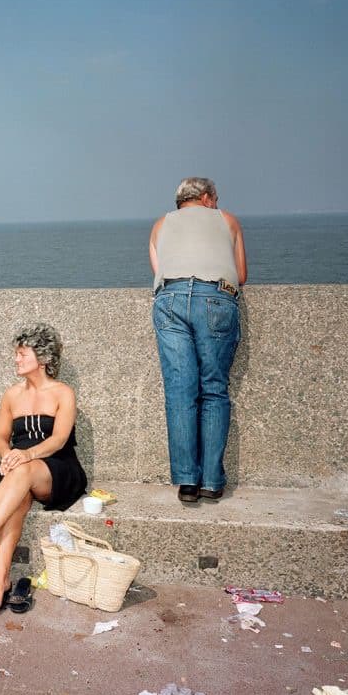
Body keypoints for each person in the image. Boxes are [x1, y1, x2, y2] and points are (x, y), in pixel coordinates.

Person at [0, 324, 87, 615]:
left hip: (56, 466)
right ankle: (0, 583)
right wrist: (8, 453)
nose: (16, 359)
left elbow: (60, 438)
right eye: (17, 354)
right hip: (16, 464)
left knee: (22, 472)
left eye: (22, 354)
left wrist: (26, 455)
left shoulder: (63, 393)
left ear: (43, 358)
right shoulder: (12, 395)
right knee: (15, 500)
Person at [148, 177, 247, 503]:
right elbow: (241, 275)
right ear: (206, 198)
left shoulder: (160, 225)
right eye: (215, 199)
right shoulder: (227, 220)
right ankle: (212, 481)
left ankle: (187, 482)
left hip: (171, 299)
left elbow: (159, 271)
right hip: (214, 298)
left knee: (180, 392)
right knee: (214, 390)